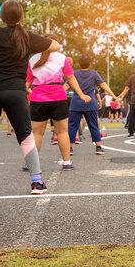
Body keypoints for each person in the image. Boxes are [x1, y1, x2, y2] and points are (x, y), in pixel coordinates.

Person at [0, 0, 59, 195]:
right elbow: (56, 46)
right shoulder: (27, 37)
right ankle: (36, 182)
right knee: (25, 135)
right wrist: (38, 41)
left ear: (1, 16)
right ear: (21, 16)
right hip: (15, 92)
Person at [25, 34, 89, 171]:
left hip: (38, 99)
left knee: (36, 133)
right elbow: (70, 78)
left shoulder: (33, 59)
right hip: (58, 98)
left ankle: (31, 164)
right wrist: (81, 94)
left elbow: (27, 83)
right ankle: (66, 163)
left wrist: (25, 93)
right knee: (62, 132)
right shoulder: (62, 58)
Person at [69, 55, 117, 156]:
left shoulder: (75, 73)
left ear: (79, 64)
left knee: (72, 126)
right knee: (94, 125)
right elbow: (103, 85)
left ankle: (70, 148)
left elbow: (65, 86)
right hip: (90, 103)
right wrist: (113, 95)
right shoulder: (94, 73)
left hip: (76, 103)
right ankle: (98, 147)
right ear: (90, 63)